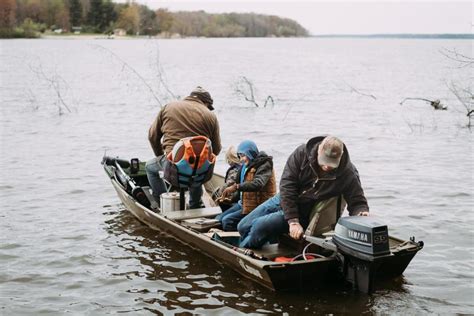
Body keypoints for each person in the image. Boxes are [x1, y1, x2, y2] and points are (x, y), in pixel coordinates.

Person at [238, 136, 369, 249]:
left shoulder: (348, 172)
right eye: (324, 161)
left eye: (331, 163)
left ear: (340, 157)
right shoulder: (301, 153)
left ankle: (242, 250)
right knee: (242, 226)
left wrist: (361, 211)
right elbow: (287, 185)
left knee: (259, 227)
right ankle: (260, 243)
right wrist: (292, 221)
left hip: (305, 212)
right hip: (285, 198)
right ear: (319, 150)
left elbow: (357, 200)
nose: (327, 166)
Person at [145, 86, 222, 209]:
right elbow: (216, 150)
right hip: (199, 172)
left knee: (149, 167)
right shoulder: (211, 116)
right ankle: (195, 205)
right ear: (206, 103)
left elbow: (152, 136)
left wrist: (161, 156)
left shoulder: (168, 107)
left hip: (172, 166)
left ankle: (162, 202)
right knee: (198, 167)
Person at [216, 140, 276, 231]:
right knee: (218, 219)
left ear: (251, 152)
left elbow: (258, 184)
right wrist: (230, 199)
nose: (241, 159)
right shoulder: (245, 166)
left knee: (227, 221)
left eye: (243, 155)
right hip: (243, 204)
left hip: (257, 206)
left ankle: (237, 242)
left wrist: (236, 187)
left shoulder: (264, 164)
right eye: (240, 156)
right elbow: (241, 191)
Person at [212, 146, 241, 211]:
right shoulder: (243, 167)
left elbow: (227, 185)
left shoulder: (234, 171)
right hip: (238, 197)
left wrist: (218, 194)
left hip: (234, 200)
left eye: (228, 159)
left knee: (217, 197)